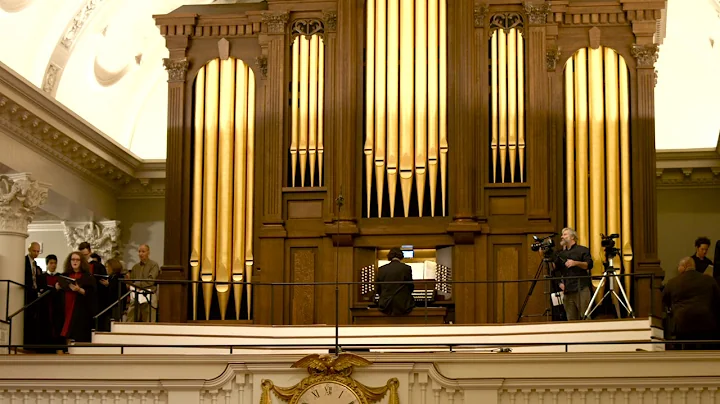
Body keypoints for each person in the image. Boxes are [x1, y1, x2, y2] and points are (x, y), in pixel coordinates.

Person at [662, 257, 720, 350]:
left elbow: (665, 301)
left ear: (684, 266)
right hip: (706, 324)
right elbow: (717, 301)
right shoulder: (709, 280)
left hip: (682, 324)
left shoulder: (672, 282)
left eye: (679, 266)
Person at [55, 252, 97, 343]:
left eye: (77, 260)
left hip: (80, 307)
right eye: (73, 259)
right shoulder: (65, 275)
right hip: (65, 305)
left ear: (81, 262)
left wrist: (79, 290)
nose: (75, 262)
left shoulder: (88, 276)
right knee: (64, 328)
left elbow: (92, 294)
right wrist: (57, 287)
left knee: (76, 330)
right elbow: (59, 290)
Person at [555, 228, 594, 321]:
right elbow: (555, 270)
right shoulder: (561, 254)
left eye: (565, 234)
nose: (562, 237)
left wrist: (575, 263)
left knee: (585, 317)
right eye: (562, 235)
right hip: (568, 290)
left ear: (572, 237)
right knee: (571, 319)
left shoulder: (582, 250)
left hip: (581, 288)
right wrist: (560, 283)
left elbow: (589, 265)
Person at [375, 247, 415, 316]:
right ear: (401, 256)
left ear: (389, 256)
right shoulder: (406, 268)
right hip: (403, 304)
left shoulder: (381, 269)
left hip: (386, 304)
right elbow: (410, 287)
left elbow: (378, 289)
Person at [126, 245, 160, 322]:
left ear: (148, 252)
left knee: (149, 317)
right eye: (139, 251)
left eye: (143, 251)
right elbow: (132, 281)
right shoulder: (135, 267)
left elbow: (151, 281)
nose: (141, 254)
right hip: (136, 293)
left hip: (149, 292)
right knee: (131, 315)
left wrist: (137, 284)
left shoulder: (153, 265)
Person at [23, 241, 46, 349]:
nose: (36, 253)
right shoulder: (23, 261)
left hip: (34, 292)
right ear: (29, 249)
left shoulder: (36, 264)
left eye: (38, 251)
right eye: (34, 251)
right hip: (26, 292)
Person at [98, 258, 127, 331]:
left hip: (115, 306)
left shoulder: (118, 277)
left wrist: (109, 285)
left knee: (112, 325)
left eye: (107, 266)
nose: (106, 269)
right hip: (112, 306)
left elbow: (117, 290)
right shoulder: (112, 277)